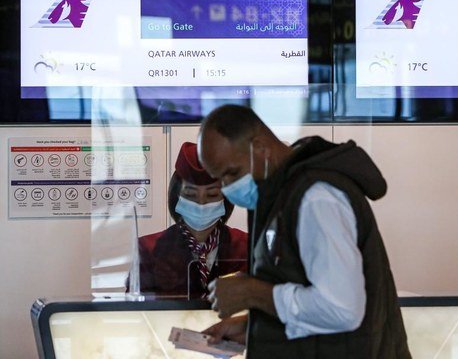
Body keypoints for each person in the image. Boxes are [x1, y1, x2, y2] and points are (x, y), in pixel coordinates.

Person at [197, 104, 411, 358]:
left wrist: (252, 292)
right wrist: (254, 327)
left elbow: (341, 310)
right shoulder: (280, 195)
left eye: (231, 173)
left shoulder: (316, 197)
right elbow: (303, 293)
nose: (227, 187)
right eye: (220, 178)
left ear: (260, 148)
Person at [130, 141, 248, 298]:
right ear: (176, 196)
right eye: (190, 194)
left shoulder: (246, 247)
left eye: (212, 195)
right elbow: (134, 307)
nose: (201, 203)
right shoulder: (148, 248)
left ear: (226, 199)